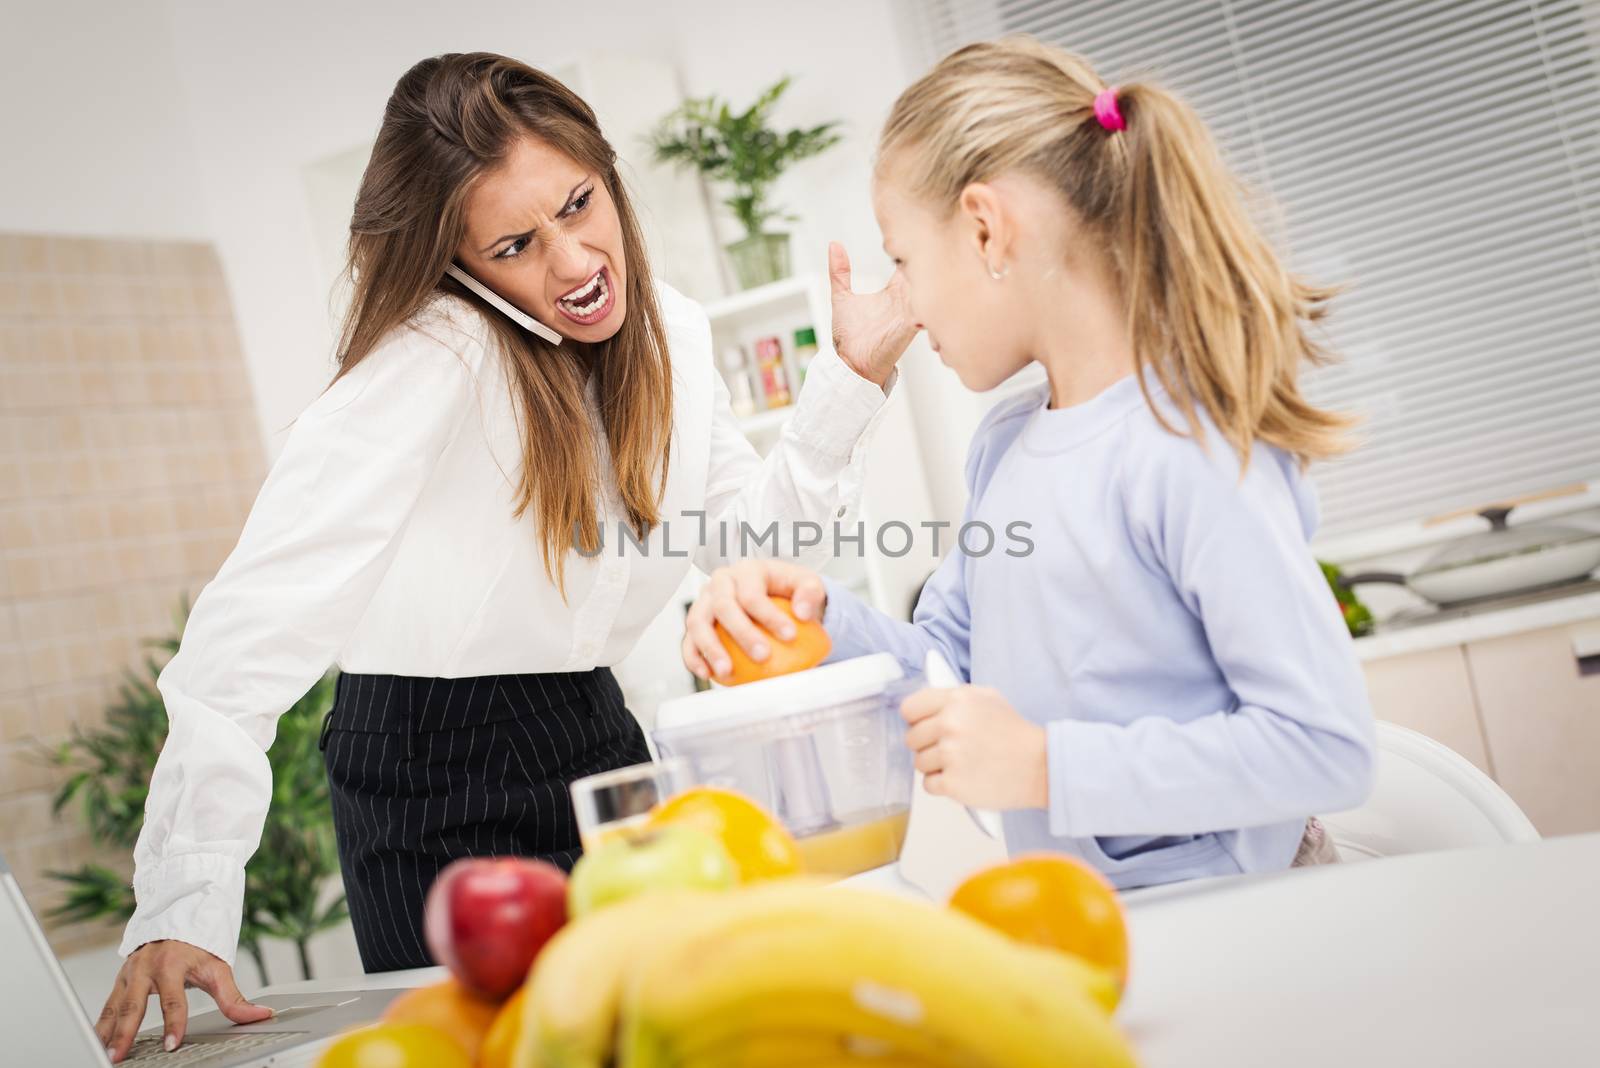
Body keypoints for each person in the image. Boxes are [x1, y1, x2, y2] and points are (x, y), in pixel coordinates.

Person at [97, 51, 915, 1062]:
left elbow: (746, 547)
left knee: (659, 1037)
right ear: (455, 262)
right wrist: (184, 897)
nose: (573, 263)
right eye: (518, 243)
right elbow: (242, 642)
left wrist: (853, 378)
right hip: (428, 775)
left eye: (579, 204)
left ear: (606, 172)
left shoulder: (675, 334)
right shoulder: (428, 366)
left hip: (592, 735)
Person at [683, 36, 1372, 894]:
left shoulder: (1182, 448)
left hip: (1253, 921)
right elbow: (947, 662)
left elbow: (1324, 746)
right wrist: (818, 618)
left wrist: (1048, 766)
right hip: (1099, 917)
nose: (904, 299)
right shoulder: (1006, 442)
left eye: (902, 259)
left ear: (984, 228)